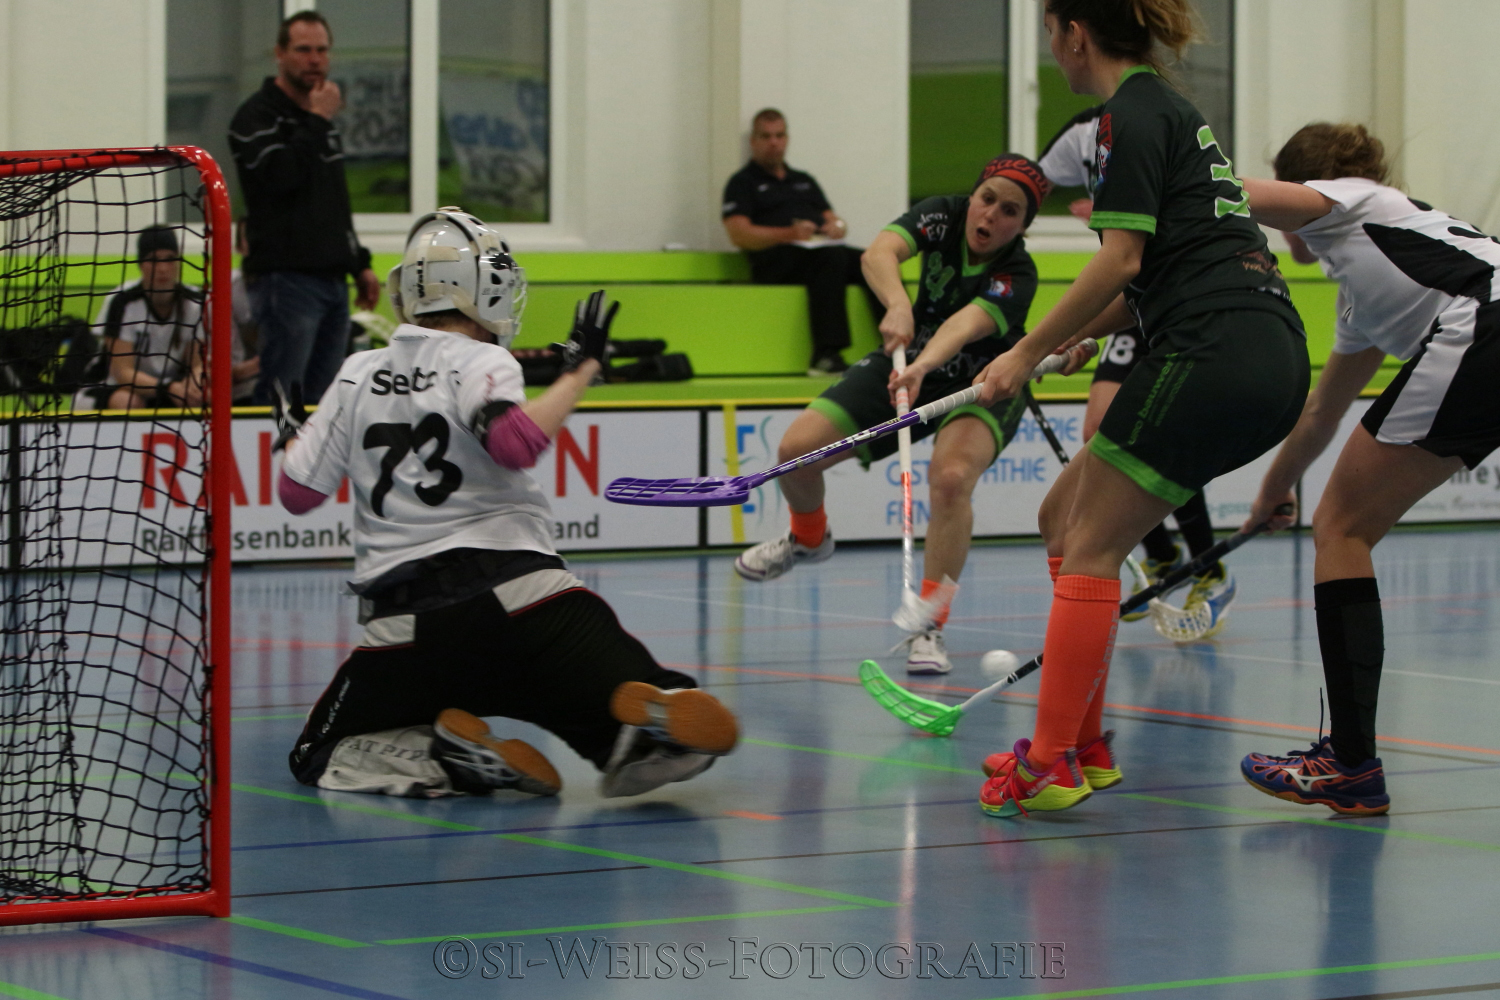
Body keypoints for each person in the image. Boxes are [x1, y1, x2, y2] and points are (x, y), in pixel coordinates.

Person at [973, 0, 1308, 818]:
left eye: (1050, 32)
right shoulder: (1169, 110)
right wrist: (1080, 336)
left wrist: (1021, 352)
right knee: (1062, 522)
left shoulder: (1126, 117)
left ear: (1073, 33)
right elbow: (1153, 270)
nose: (1052, 49)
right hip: (1265, 349)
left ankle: (1048, 764)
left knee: (1091, 547)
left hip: (1212, 348)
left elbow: (1120, 258)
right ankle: (1082, 746)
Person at [276, 208, 738, 800]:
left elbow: (297, 494)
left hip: (410, 626)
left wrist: (293, 439)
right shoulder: (480, 357)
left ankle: (447, 758)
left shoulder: (356, 373)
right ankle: (650, 722)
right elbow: (513, 443)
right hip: (531, 601)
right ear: (481, 288)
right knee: (620, 733)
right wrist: (581, 371)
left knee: (319, 754)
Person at [1236, 124, 1500, 816]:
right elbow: (1322, 413)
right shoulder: (1366, 286)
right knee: (1343, 527)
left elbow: (1227, 192)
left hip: (1483, 323)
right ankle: (1349, 762)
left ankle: (1349, 763)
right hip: (1486, 329)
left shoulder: (1352, 199)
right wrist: (1272, 492)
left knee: (1342, 530)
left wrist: (1148, 183)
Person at [736, 154, 1064, 675]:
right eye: (987, 199)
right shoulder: (942, 214)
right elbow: (879, 252)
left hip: (983, 380)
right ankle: (809, 537)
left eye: (1010, 212)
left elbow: (966, 324)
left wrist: (925, 364)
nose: (991, 216)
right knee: (797, 451)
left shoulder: (1017, 273)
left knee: (951, 479)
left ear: (1022, 226)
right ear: (973, 195)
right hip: (910, 357)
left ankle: (928, 626)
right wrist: (896, 304)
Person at [1038, 104, 1233, 632]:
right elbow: (1033, 180)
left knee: (1162, 440)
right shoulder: (1082, 132)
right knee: (1099, 428)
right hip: (1132, 302)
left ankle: (1209, 567)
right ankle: (1163, 555)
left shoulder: (1152, 127)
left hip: (1174, 301)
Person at [228, 10, 381, 407]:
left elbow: (334, 203)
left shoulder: (320, 123)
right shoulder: (256, 117)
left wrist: (358, 263)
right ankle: (276, 448)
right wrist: (316, 119)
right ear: (279, 54)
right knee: (283, 396)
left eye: (322, 50)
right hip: (286, 280)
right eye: (303, 50)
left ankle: (308, 454)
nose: (315, 60)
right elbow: (280, 178)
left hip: (332, 279)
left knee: (325, 402)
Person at [722, 108, 879, 375]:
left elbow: (835, 220)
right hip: (773, 261)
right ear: (753, 141)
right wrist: (789, 234)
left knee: (872, 260)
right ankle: (825, 354)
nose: (774, 142)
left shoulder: (803, 180)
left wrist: (836, 228)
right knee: (830, 259)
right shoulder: (742, 182)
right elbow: (739, 234)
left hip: (816, 251)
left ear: (787, 138)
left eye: (779, 135)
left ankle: (906, 343)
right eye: (766, 136)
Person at [73, 225, 205, 412]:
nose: (162, 269)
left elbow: (197, 363)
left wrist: (195, 383)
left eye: (169, 259)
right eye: (153, 260)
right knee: (128, 402)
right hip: (110, 387)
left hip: (165, 389)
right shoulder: (122, 301)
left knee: (206, 394)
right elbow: (122, 373)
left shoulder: (194, 302)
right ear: (141, 264)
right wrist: (168, 388)